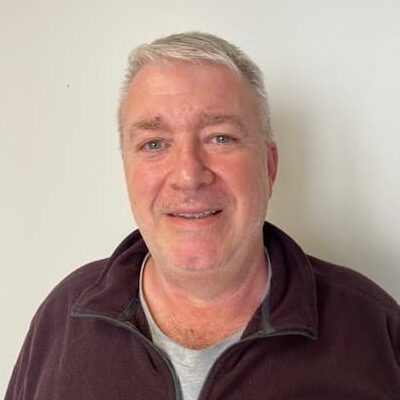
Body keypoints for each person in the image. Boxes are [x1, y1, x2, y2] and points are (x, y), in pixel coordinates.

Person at [6, 32, 400, 400]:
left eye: (221, 138)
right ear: (126, 170)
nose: (189, 175)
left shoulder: (373, 330)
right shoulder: (63, 319)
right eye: (154, 143)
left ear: (269, 166)